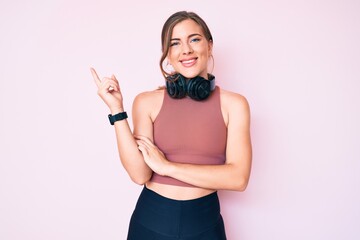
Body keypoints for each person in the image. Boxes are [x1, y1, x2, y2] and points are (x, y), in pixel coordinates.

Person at [91, 10, 252, 240]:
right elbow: (140, 175)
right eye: (175, 43)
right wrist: (117, 110)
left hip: (205, 224)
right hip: (150, 221)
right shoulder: (146, 102)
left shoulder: (234, 104)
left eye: (194, 39)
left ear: (209, 45)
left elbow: (238, 178)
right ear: (168, 54)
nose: (185, 50)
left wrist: (167, 168)